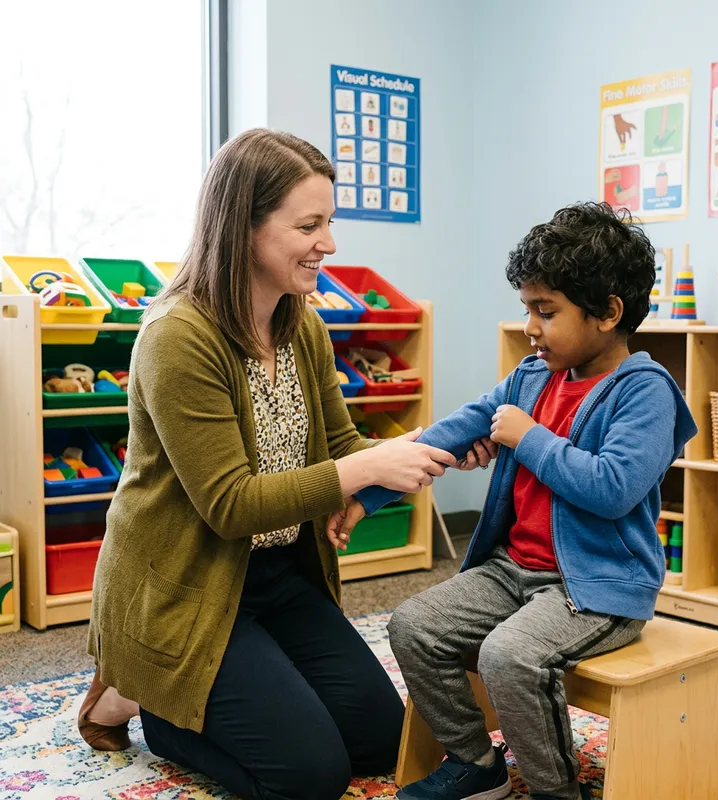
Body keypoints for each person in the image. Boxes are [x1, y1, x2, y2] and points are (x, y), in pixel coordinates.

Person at [76, 128, 471, 800]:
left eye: (331, 222)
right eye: (309, 225)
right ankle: (143, 701)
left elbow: (344, 446)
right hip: (189, 588)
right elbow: (231, 505)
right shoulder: (178, 337)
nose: (330, 243)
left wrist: (430, 449)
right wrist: (364, 472)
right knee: (308, 776)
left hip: (278, 576)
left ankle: (217, 685)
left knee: (380, 738)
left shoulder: (301, 324)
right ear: (244, 228)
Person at [328, 202, 697, 800]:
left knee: (509, 656)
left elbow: (613, 488)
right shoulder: (531, 376)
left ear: (608, 313)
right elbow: (456, 429)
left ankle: (557, 790)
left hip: (597, 585)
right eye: (527, 308)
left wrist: (529, 438)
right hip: (513, 569)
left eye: (545, 311)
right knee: (414, 624)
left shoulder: (647, 393)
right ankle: (477, 764)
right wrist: (366, 494)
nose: (530, 325)